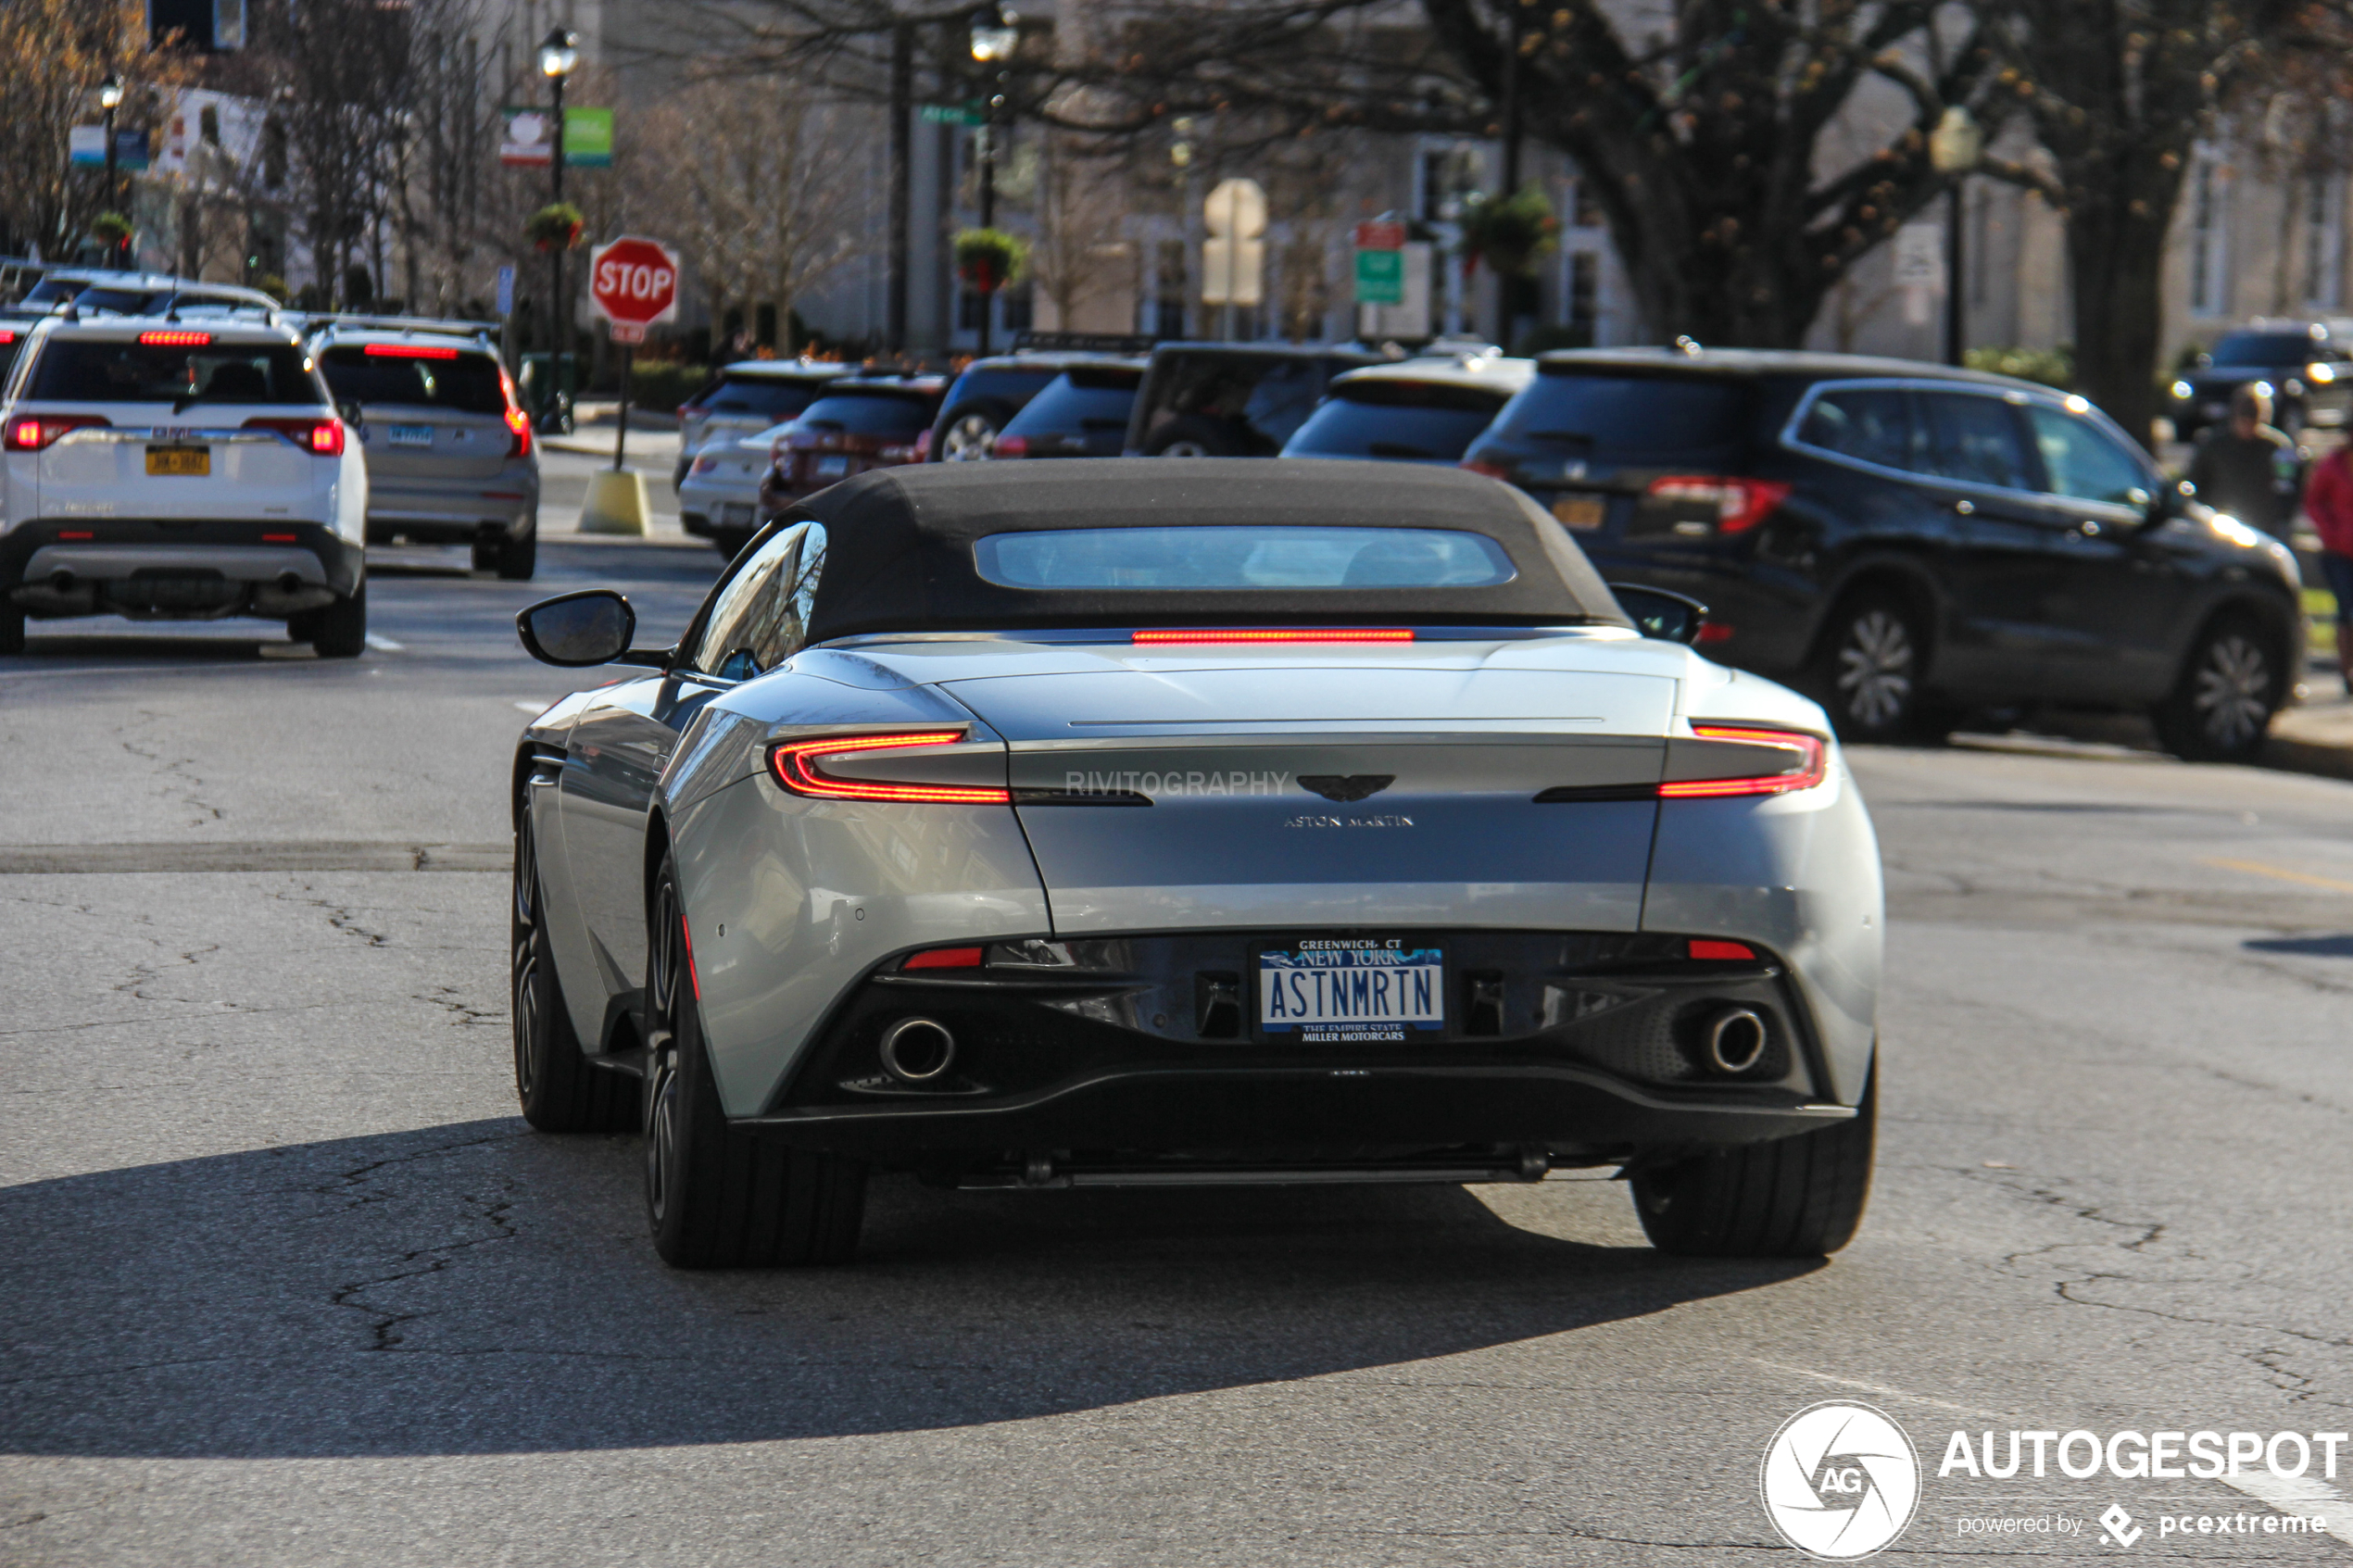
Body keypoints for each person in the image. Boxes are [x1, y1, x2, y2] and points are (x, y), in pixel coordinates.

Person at [2186, 383, 2303, 539]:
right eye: (2243, 421)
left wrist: (2281, 517)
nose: (2248, 427)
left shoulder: (2278, 447)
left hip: (2265, 527)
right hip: (2222, 525)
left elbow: (2289, 486)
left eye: (2254, 422)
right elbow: (2196, 482)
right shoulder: (2213, 445)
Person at [2303, 438, 2353, 690]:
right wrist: (2329, 528)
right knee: (2346, 608)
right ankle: (2347, 672)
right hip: (2337, 551)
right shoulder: (2332, 465)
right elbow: (2313, 501)